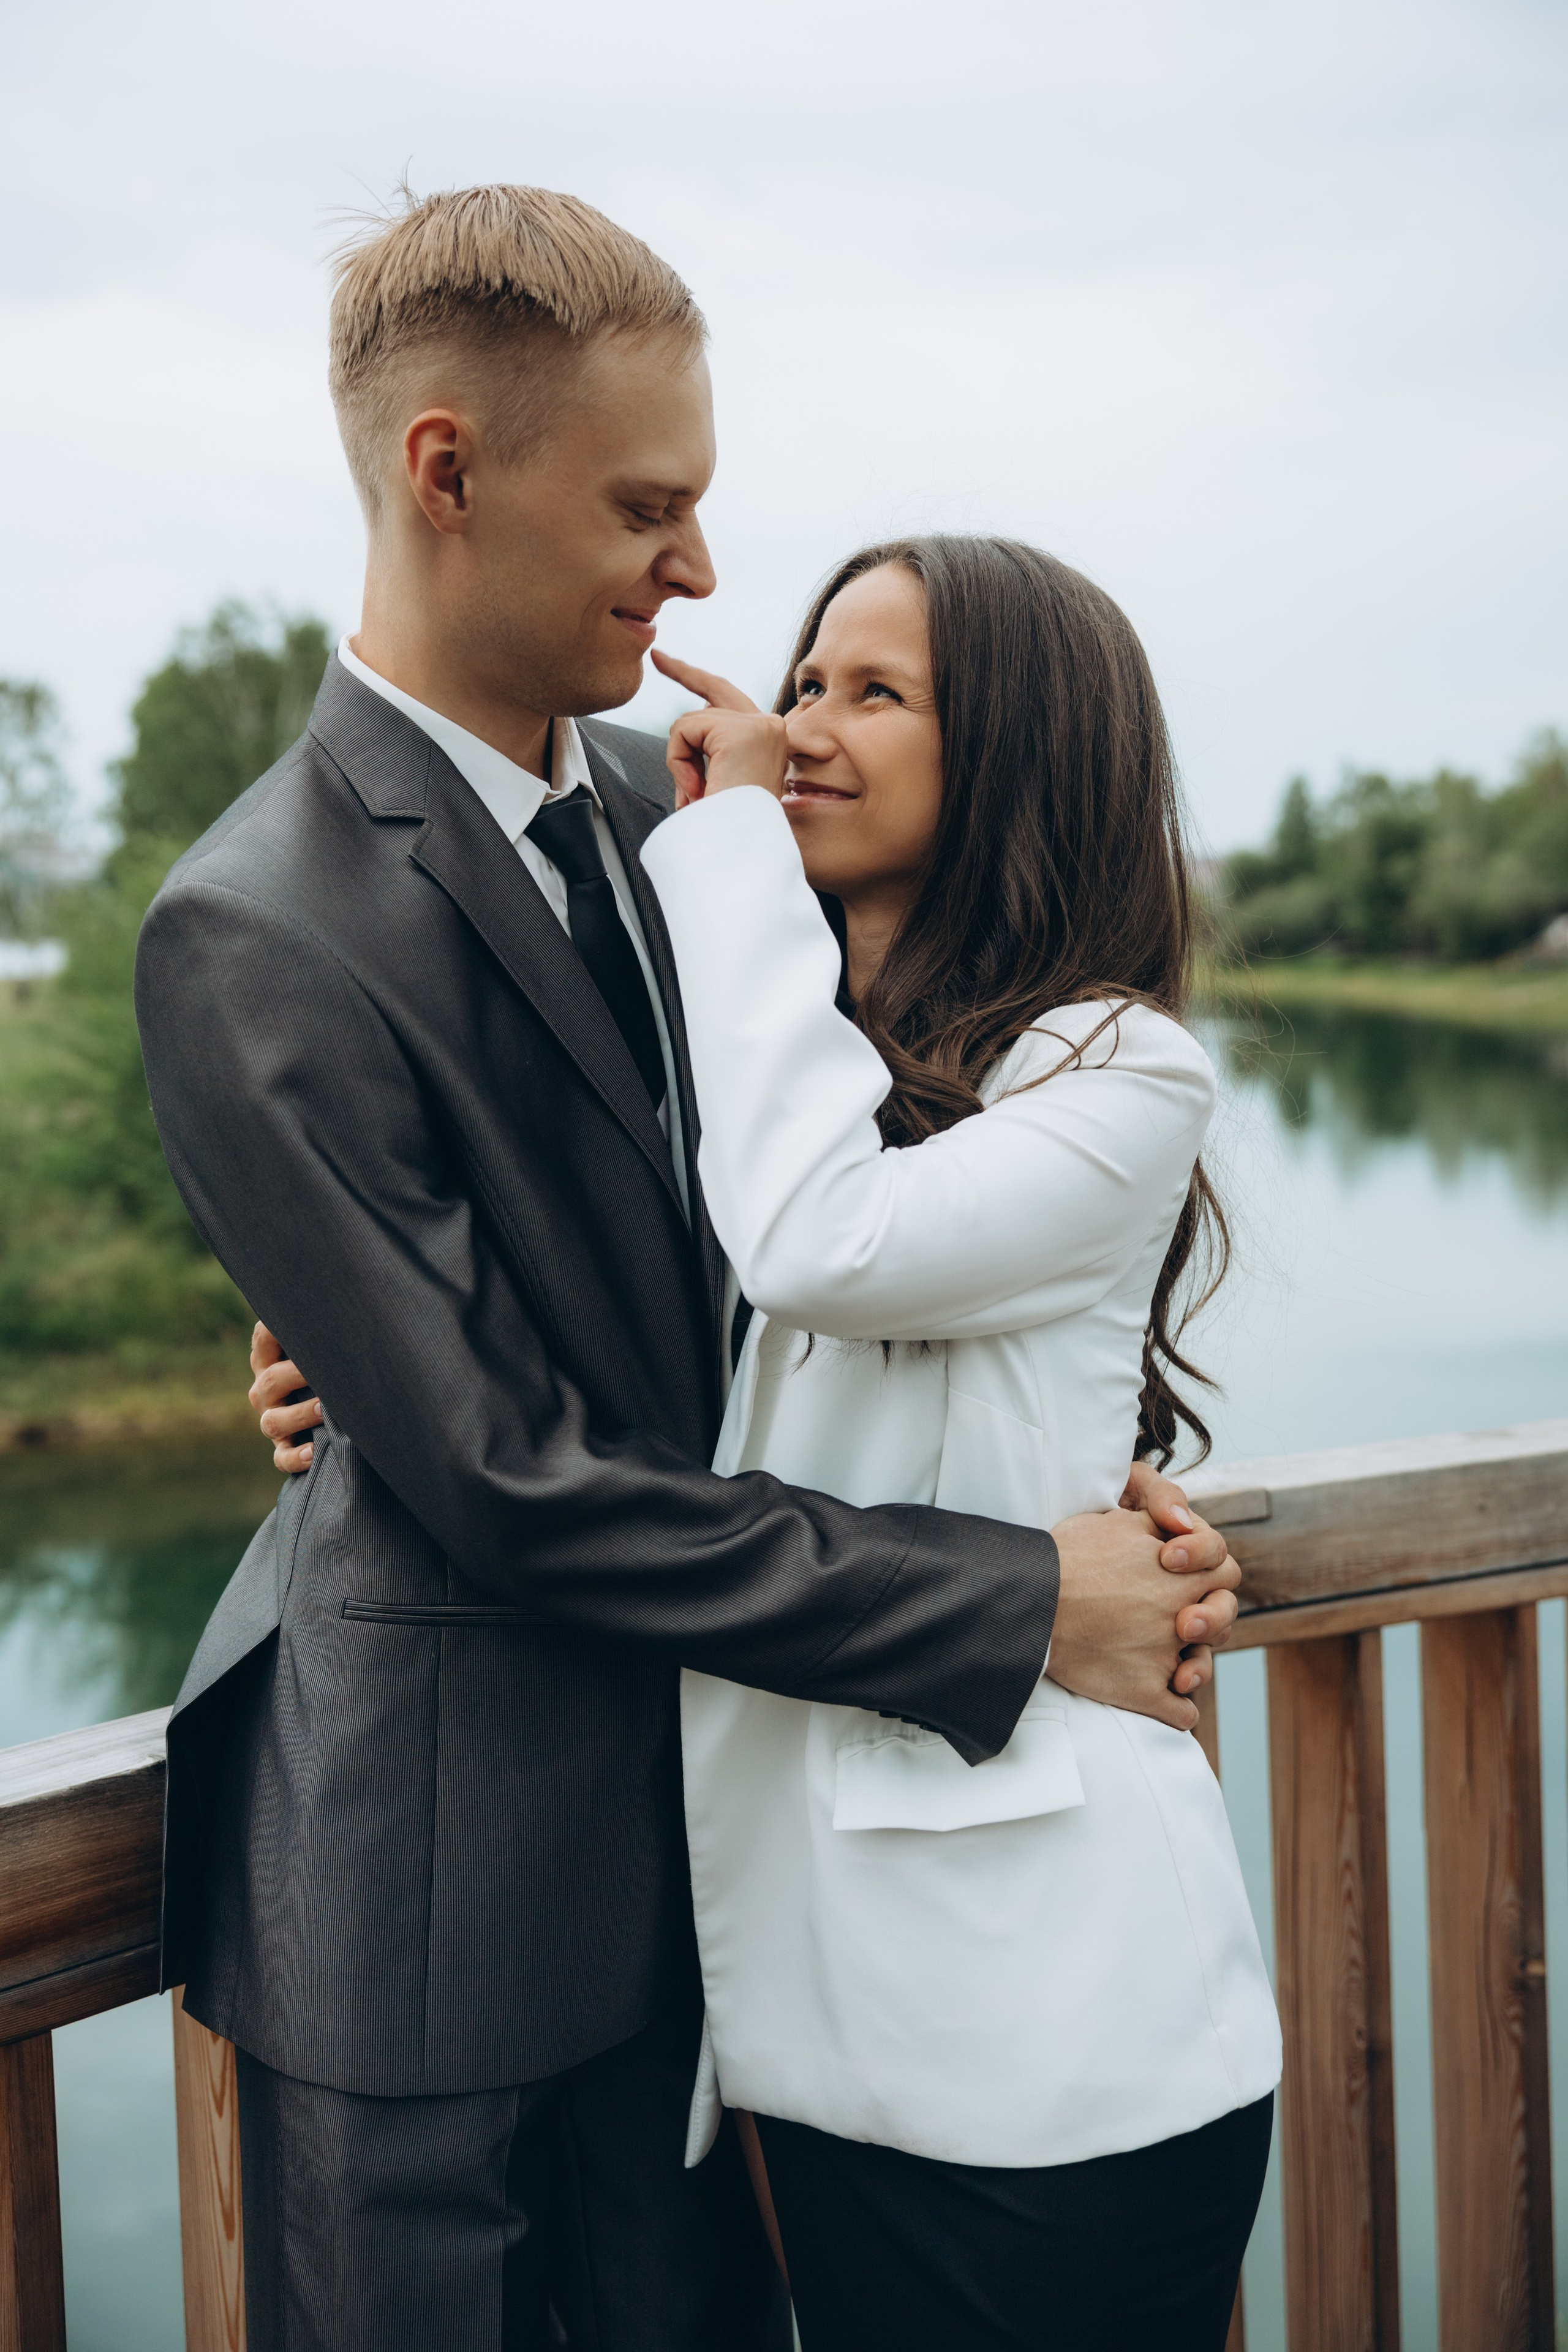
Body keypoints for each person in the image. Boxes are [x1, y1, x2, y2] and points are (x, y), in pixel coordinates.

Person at [139, 182, 1241, 2352]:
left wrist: (1102, 1478)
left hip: (742, 1920)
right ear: (448, 471)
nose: (708, 575)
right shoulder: (249, 922)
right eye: (651, 506)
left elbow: (910, 1177)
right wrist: (1023, 1599)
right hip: (438, 1907)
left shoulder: (702, 816)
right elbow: (504, 1471)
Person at [630, 539, 1280, 2349]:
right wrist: (342, 1379)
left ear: (1021, 753)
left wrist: (726, 850)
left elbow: (827, 1247)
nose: (802, 727)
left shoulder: (1118, 1071)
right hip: (810, 2039)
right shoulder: (785, 1068)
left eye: (877, 692)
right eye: (809, 676)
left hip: (1053, 2046)